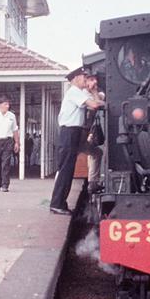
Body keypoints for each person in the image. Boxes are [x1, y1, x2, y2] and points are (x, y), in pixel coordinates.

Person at [49, 67, 104, 215]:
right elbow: (94, 105)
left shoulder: (81, 93)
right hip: (69, 132)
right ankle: (57, 203)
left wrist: (93, 90)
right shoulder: (73, 92)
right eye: (83, 77)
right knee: (66, 169)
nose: (85, 80)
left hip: (75, 133)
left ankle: (60, 203)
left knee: (68, 168)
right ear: (75, 79)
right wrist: (103, 104)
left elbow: (97, 99)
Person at [80, 73, 105, 194]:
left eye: (96, 79)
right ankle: (92, 183)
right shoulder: (83, 95)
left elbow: (102, 102)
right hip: (78, 133)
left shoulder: (95, 94)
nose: (94, 82)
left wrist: (94, 92)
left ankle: (93, 183)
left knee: (96, 153)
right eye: (91, 79)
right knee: (67, 161)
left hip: (85, 133)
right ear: (85, 82)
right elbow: (96, 104)